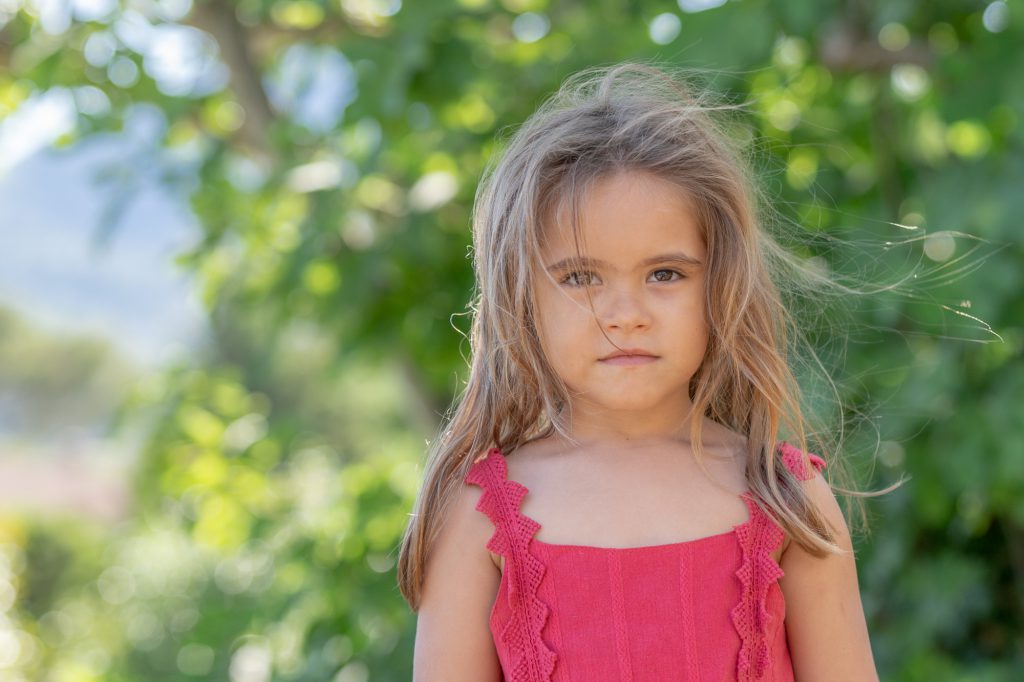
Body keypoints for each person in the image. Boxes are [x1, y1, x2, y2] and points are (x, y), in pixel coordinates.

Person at [398, 62, 899, 681]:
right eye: (581, 278)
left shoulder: (789, 498)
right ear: (521, 297)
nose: (626, 316)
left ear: (720, 285)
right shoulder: (476, 515)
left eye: (665, 274)